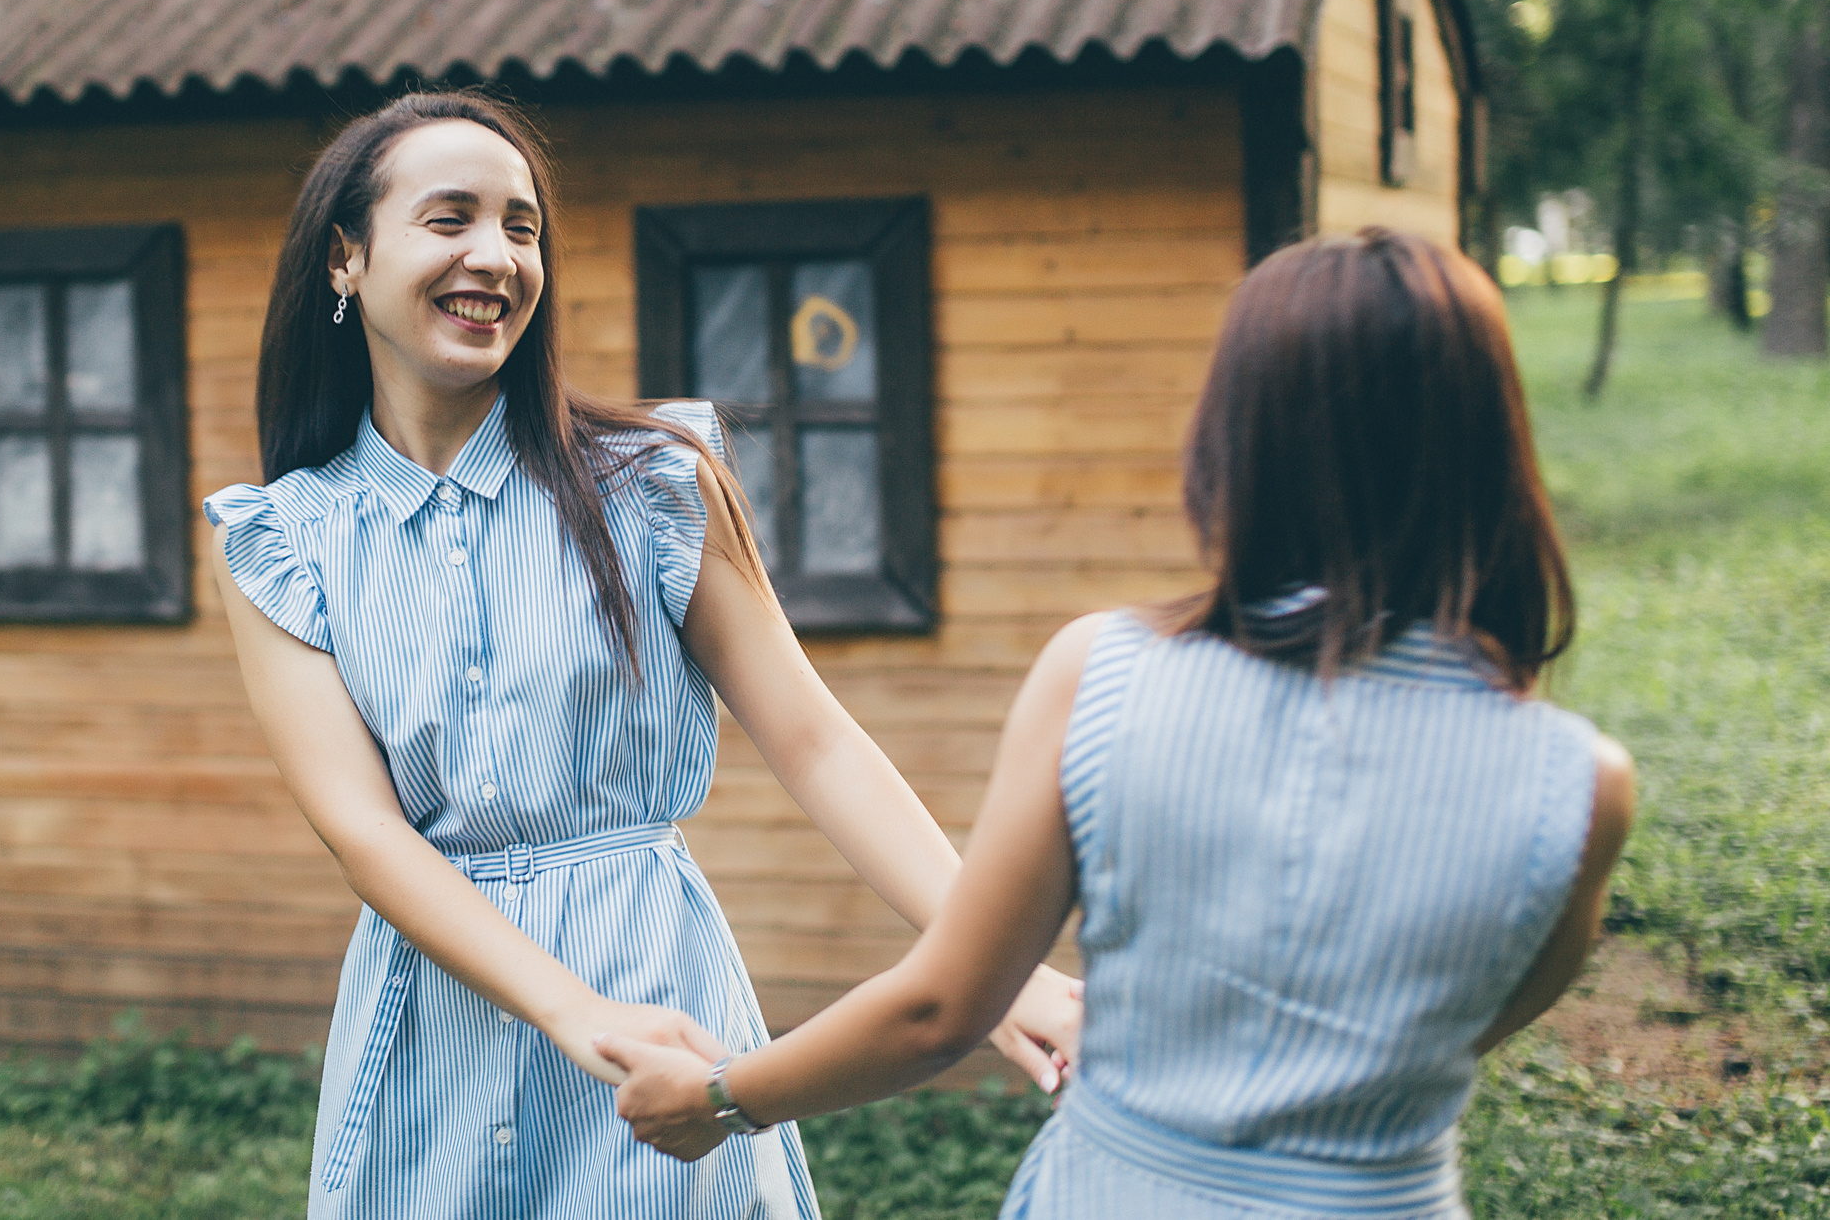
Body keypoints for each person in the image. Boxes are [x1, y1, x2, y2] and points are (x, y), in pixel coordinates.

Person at [602, 227, 1637, 1220]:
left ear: (1243, 437)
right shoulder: (1580, 787)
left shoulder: (1104, 675)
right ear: (1491, 449)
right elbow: (1472, 1013)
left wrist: (718, 1097)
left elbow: (939, 1010)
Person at [203, 91, 1082, 1218]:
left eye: (521, 228)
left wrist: (998, 977)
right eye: (450, 219)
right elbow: (364, 833)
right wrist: (570, 1009)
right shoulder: (282, 540)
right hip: (434, 1021)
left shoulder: (650, 482)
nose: (496, 257)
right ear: (345, 256)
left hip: (654, 990)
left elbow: (814, 743)